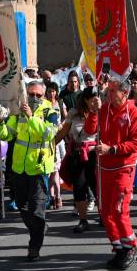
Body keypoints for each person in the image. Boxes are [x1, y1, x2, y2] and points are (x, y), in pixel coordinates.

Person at [84, 78, 137, 270]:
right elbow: (89, 130)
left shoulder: (134, 113)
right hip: (103, 169)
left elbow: (136, 144)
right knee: (105, 212)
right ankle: (118, 248)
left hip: (123, 169)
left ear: (124, 94)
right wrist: (93, 112)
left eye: (112, 92)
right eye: (108, 91)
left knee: (119, 210)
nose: (108, 95)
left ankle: (131, 247)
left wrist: (112, 149)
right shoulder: (104, 110)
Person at [0, 80, 59, 261]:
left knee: (37, 209)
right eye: (31, 94)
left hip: (38, 168)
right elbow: (7, 134)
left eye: (38, 95)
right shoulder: (19, 109)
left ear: (44, 95)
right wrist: (0, 122)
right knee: (23, 207)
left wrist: (31, 117)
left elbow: (48, 134)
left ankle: (34, 247)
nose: (34, 98)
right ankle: (37, 229)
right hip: (19, 167)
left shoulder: (50, 111)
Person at [55, 87, 99, 233]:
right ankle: (83, 220)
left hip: (94, 155)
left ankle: (103, 216)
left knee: (97, 186)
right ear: (85, 100)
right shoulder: (73, 113)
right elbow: (63, 131)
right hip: (77, 154)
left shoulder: (101, 112)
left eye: (96, 99)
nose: (95, 102)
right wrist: (50, 144)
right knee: (79, 187)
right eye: (92, 100)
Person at [45, 82, 65, 209]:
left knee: (56, 170)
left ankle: (58, 196)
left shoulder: (60, 103)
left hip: (57, 139)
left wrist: (61, 125)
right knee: (49, 171)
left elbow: (66, 117)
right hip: (47, 138)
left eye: (53, 91)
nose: (51, 93)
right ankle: (51, 197)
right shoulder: (44, 104)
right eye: (49, 91)